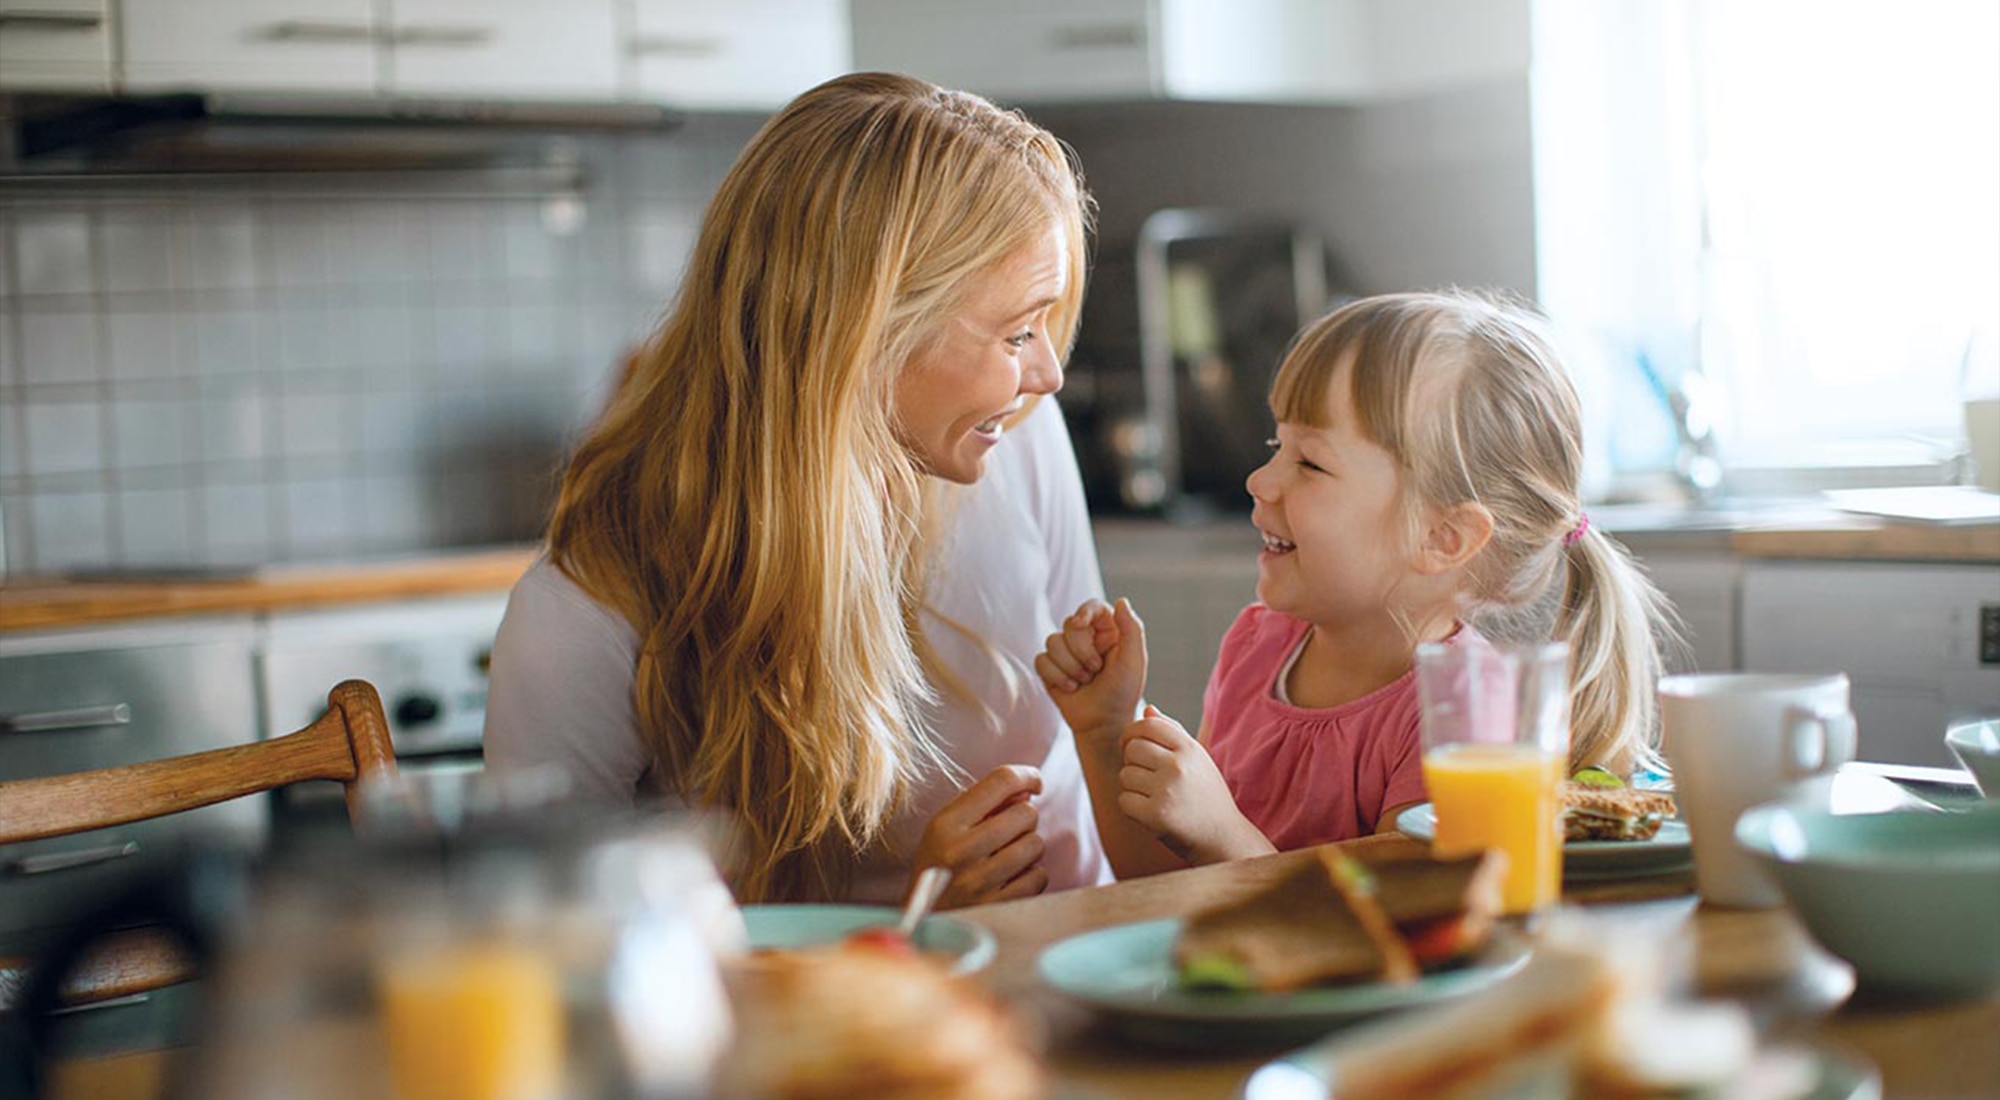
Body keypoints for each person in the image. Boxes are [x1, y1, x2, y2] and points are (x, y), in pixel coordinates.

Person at [483, 72, 1113, 907]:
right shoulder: (588, 610)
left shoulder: (1020, 438)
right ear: (868, 331)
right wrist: (917, 924)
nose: (1048, 375)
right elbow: (557, 944)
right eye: (1018, 332)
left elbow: (1094, 729)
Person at [1038, 291, 1679, 878]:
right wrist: (1103, 731)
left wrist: (1225, 836)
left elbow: (1400, 927)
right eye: (1277, 444)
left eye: (1310, 462)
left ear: (1442, 538)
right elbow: (1159, 884)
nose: (1260, 481)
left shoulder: (1461, 712)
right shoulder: (1258, 645)